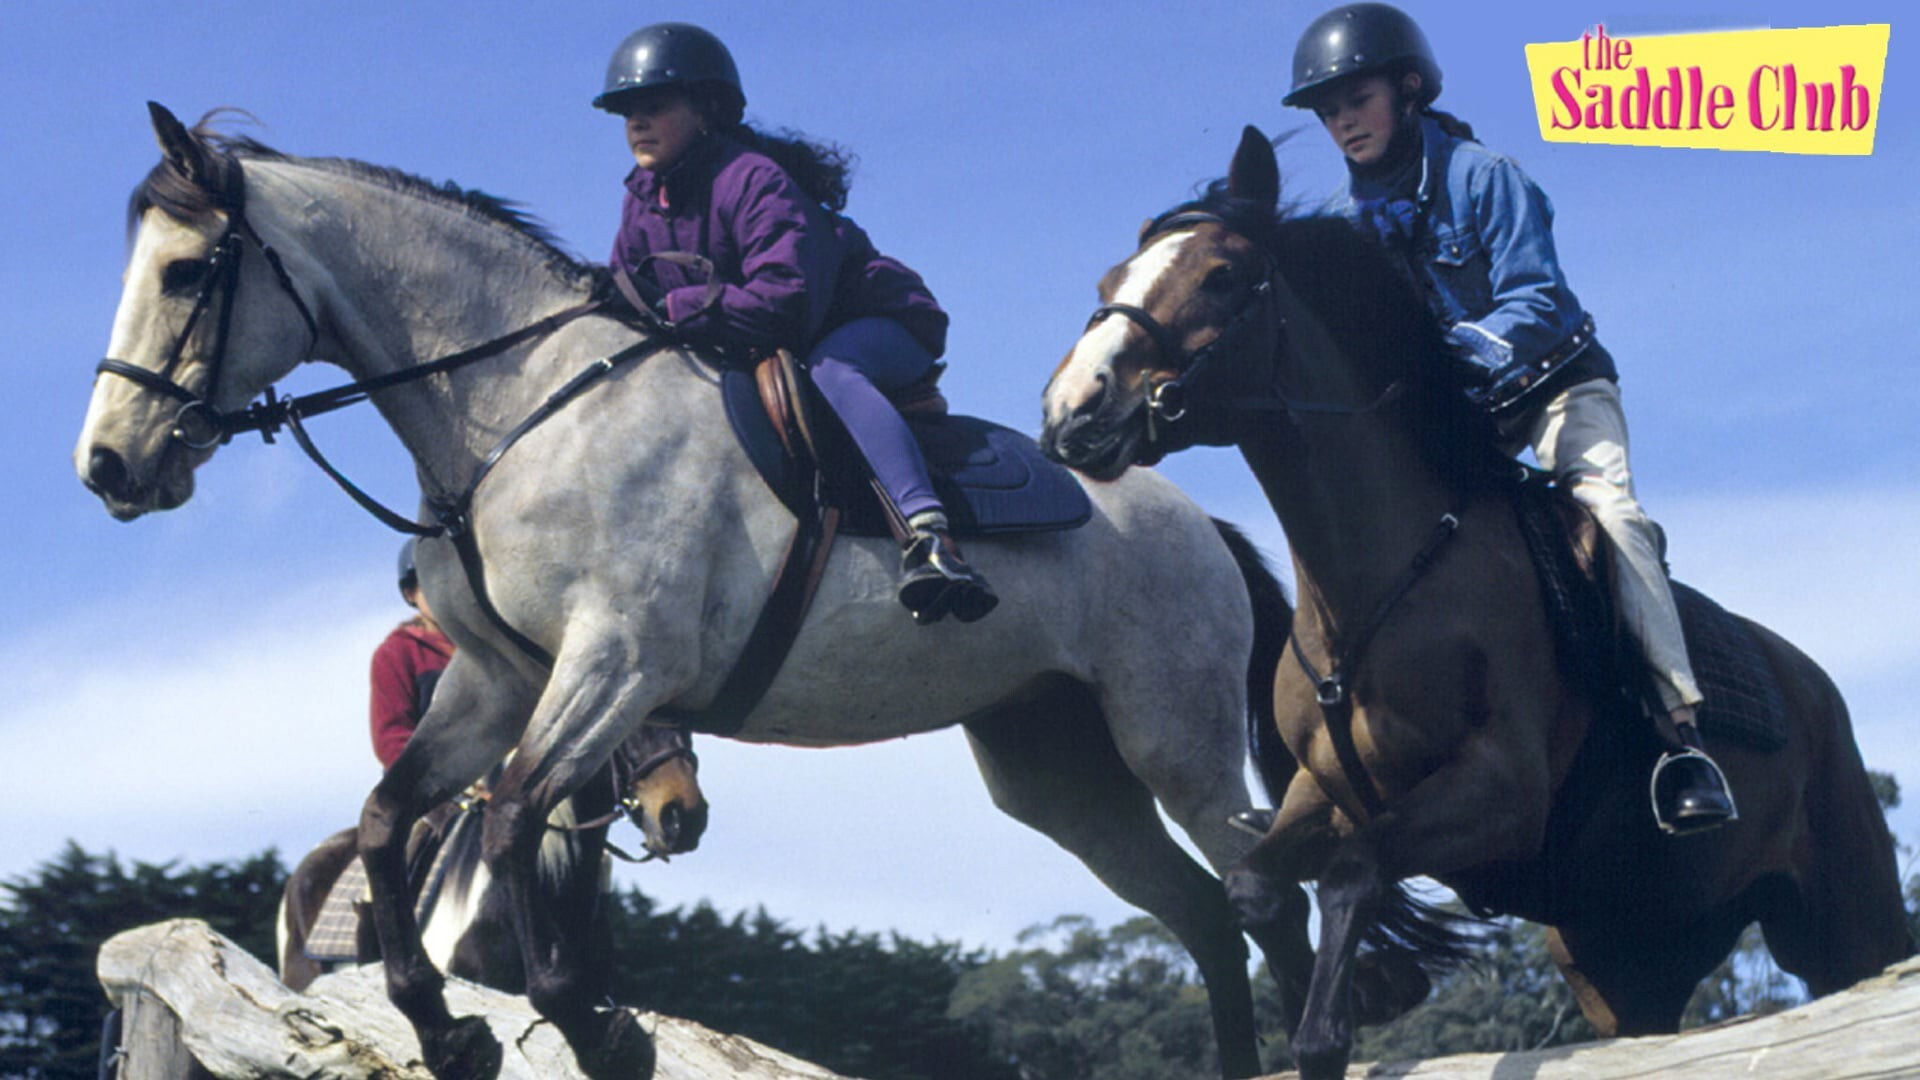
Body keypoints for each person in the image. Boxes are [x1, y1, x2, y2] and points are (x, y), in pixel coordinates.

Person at [1282, 3, 1734, 832]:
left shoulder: (1486, 177)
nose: (1343, 121)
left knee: (1613, 519)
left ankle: (1680, 737)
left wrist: (1445, 358)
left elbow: (1538, 297)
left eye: (1358, 99)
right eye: (1329, 110)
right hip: (1465, 418)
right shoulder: (1349, 227)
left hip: (1555, 389)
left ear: (1408, 89)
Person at [592, 22, 996, 625]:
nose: (637, 123)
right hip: (774, 338)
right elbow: (629, 293)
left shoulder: (752, 179)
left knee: (833, 369)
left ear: (706, 110)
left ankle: (929, 537)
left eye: (655, 106)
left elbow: (785, 303)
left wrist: (674, 308)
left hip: (876, 321)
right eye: (628, 112)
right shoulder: (641, 199)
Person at [370, 538, 455, 769]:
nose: (441, 592)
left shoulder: (490, 645)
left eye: (448, 579)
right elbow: (391, 739)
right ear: (410, 593)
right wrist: (443, 778)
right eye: (429, 583)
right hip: (434, 781)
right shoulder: (396, 654)